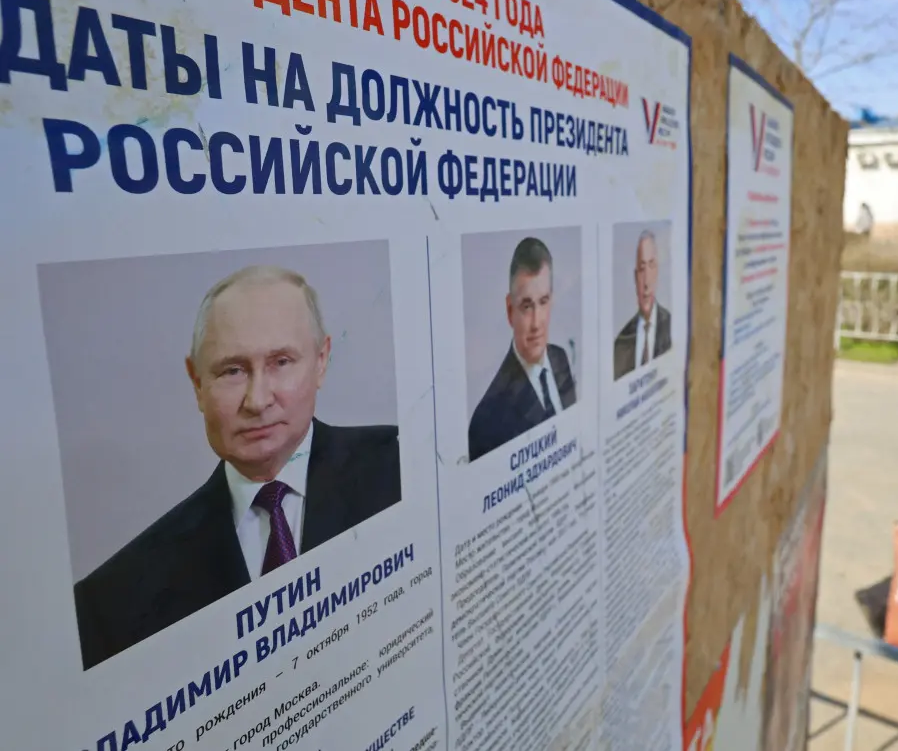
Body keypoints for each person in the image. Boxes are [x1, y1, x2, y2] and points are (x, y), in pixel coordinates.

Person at [73, 265, 401, 670]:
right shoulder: (112, 602)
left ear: (321, 361)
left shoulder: (404, 467)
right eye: (232, 370)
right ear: (196, 383)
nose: (257, 400)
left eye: (281, 362)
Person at [468, 237, 577, 462]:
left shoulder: (560, 359)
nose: (537, 323)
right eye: (526, 306)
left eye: (543, 302)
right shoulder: (487, 420)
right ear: (510, 310)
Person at [613, 229, 673, 381]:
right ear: (635, 277)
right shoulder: (621, 343)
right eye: (641, 269)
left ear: (658, 271)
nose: (646, 282)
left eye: (651, 266)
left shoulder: (672, 327)